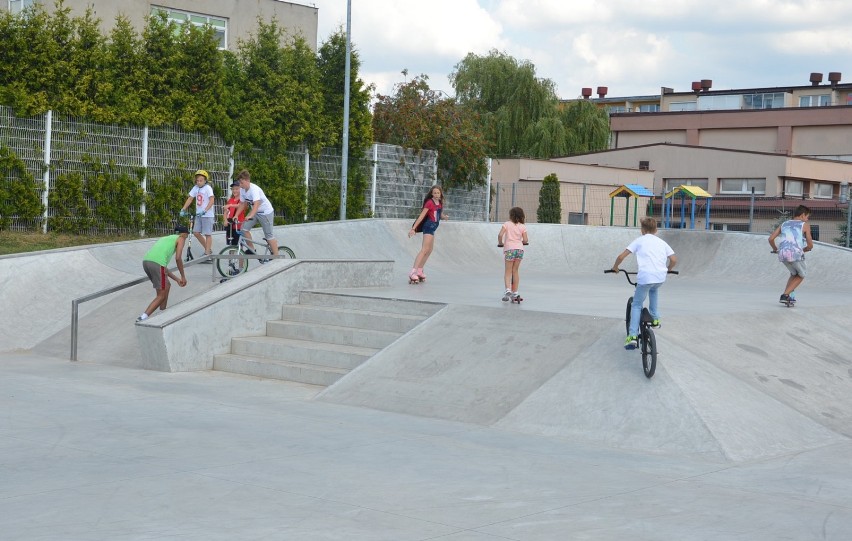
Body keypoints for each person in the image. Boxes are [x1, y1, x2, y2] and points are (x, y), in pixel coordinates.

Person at [611, 217, 677, 349]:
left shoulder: (639, 241)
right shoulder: (662, 242)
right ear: (656, 230)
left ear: (642, 230)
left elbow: (620, 257)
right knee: (654, 289)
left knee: (636, 304)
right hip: (660, 277)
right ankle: (655, 318)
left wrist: (615, 267)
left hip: (646, 277)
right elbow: (674, 259)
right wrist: (668, 270)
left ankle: (632, 336)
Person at [138, 225, 189, 322]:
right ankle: (142, 318)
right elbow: (178, 258)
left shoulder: (165, 238)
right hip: (157, 265)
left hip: (146, 262)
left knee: (167, 286)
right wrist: (183, 276)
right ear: (184, 234)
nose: (185, 240)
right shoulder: (181, 238)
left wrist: (177, 279)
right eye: (186, 236)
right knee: (161, 295)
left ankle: (163, 313)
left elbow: (163, 269)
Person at [768, 204, 813, 305]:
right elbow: (810, 244)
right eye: (807, 217)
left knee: (794, 274)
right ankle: (784, 295)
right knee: (801, 275)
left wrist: (776, 249)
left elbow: (771, 239)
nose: (807, 219)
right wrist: (805, 249)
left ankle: (788, 296)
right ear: (802, 215)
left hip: (782, 253)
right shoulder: (804, 225)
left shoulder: (784, 224)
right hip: (795, 254)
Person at [407, 185, 447, 282]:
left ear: (440, 193)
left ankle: (420, 270)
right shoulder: (429, 203)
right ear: (432, 194)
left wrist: (444, 217)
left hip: (433, 227)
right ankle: (413, 272)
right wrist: (413, 228)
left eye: (438, 193)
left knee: (430, 250)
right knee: (424, 250)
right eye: (435, 193)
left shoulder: (440, 203)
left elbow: (438, 214)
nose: (437, 194)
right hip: (428, 226)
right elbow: (421, 216)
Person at [234, 169, 279, 257]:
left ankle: (277, 258)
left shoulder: (254, 189)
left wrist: (250, 215)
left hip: (265, 213)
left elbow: (256, 204)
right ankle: (251, 249)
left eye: (242, 182)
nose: (240, 185)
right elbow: (242, 204)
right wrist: (236, 215)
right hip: (255, 212)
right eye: (240, 182)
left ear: (248, 181)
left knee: (269, 236)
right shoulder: (242, 190)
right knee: (244, 229)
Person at [180, 169, 215, 262]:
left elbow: (212, 200)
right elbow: (190, 199)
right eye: (197, 180)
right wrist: (183, 209)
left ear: (205, 180)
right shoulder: (195, 188)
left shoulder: (208, 188)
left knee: (208, 234)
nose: (199, 182)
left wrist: (205, 210)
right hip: (199, 215)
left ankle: (207, 254)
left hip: (207, 215)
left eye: (201, 180)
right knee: (195, 232)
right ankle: (209, 250)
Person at [498, 206, 529, 301]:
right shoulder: (523, 226)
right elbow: (526, 239)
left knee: (508, 271)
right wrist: (523, 242)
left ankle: (508, 290)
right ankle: (515, 292)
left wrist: (500, 243)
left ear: (511, 215)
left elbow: (500, 235)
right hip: (519, 250)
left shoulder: (507, 224)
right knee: (515, 271)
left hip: (510, 249)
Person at [221, 180, 245, 246]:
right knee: (230, 244)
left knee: (239, 245)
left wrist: (230, 205)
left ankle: (239, 256)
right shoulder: (230, 200)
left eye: (237, 189)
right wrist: (225, 220)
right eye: (233, 189)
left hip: (239, 226)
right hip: (230, 226)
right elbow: (226, 212)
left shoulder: (242, 200)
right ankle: (231, 256)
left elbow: (240, 206)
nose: (234, 191)